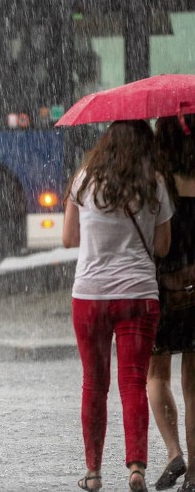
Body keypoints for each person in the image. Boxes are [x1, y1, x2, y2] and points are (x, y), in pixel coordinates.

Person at [62, 120, 173, 492]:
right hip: (138, 296)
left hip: (90, 296)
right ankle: (136, 468)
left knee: (94, 384)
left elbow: (68, 239)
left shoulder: (83, 181)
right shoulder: (154, 183)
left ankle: (93, 472)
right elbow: (162, 247)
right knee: (132, 384)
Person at [147, 113, 195, 492]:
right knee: (193, 384)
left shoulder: (155, 181)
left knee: (156, 375)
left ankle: (173, 451)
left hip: (163, 287)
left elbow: (156, 241)